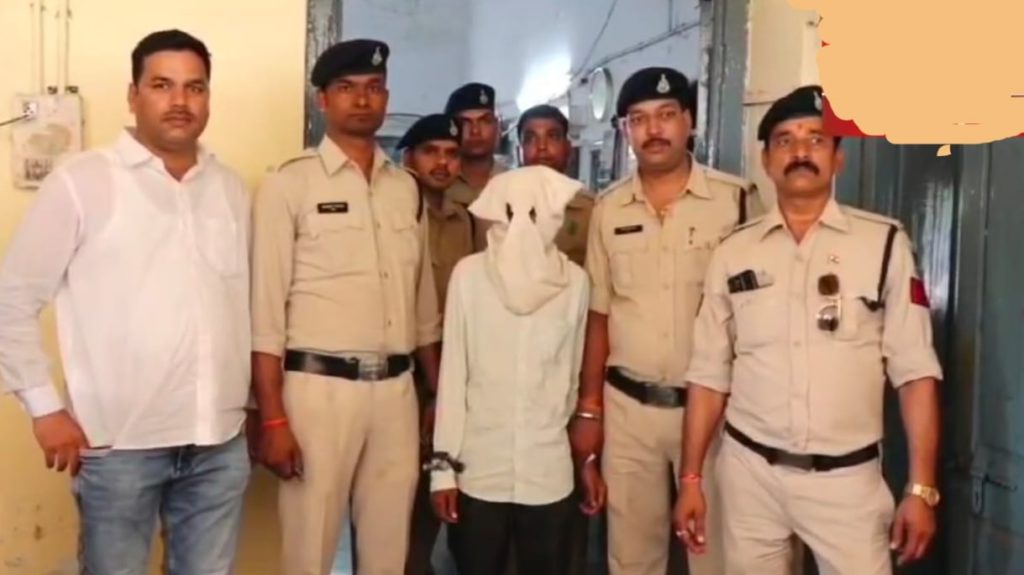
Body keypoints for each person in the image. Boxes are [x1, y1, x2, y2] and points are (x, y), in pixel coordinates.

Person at [0, 29, 252, 574]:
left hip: (219, 444)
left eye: (195, 87)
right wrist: (44, 409)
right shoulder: (82, 182)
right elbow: (11, 299)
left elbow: (240, 309)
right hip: (119, 447)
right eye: (162, 85)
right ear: (133, 95)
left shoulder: (229, 189)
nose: (180, 101)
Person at [674, 85, 942, 575]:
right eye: (785, 141)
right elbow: (709, 375)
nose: (800, 151)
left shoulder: (884, 244)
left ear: (838, 158)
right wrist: (691, 478)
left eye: (816, 139)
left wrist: (921, 488)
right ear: (766, 160)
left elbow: (915, 373)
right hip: (750, 474)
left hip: (847, 480)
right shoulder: (734, 252)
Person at [250, 38, 442, 575]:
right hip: (318, 392)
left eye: (374, 88)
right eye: (347, 88)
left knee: (388, 549)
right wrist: (272, 417)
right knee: (309, 548)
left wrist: (439, 398)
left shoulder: (406, 189)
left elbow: (424, 311)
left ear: (387, 98)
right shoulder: (289, 184)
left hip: (396, 393)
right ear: (322, 99)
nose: (362, 100)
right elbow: (265, 316)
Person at [573, 66, 762, 575]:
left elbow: (760, 315)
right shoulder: (609, 209)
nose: (653, 130)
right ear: (625, 130)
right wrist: (590, 410)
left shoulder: (736, 200)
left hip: (715, 410)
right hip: (628, 409)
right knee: (632, 555)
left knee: (714, 553)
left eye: (665, 115)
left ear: (689, 121)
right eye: (638, 119)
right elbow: (599, 314)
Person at [429, 165, 590, 575]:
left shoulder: (575, 282)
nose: (521, 227)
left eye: (534, 215)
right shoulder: (468, 276)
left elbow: (571, 378)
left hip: (548, 471)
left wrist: (579, 458)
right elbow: (453, 379)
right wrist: (442, 473)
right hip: (478, 470)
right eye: (511, 214)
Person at [397, 113, 475, 575]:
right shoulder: (393, 214)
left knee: (436, 485)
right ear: (409, 157)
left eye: (451, 154)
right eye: (431, 152)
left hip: (451, 373)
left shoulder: (466, 221)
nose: (442, 163)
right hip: (403, 373)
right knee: (392, 497)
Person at [517, 104, 593, 268]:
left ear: (568, 149)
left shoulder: (591, 211)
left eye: (552, 137)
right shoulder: (499, 208)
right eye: (531, 139)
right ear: (519, 151)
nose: (542, 147)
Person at [444, 82, 506, 252]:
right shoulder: (437, 185)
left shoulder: (515, 184)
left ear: (497, 127)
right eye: (465, 122)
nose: (476, 131)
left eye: (485, 121)